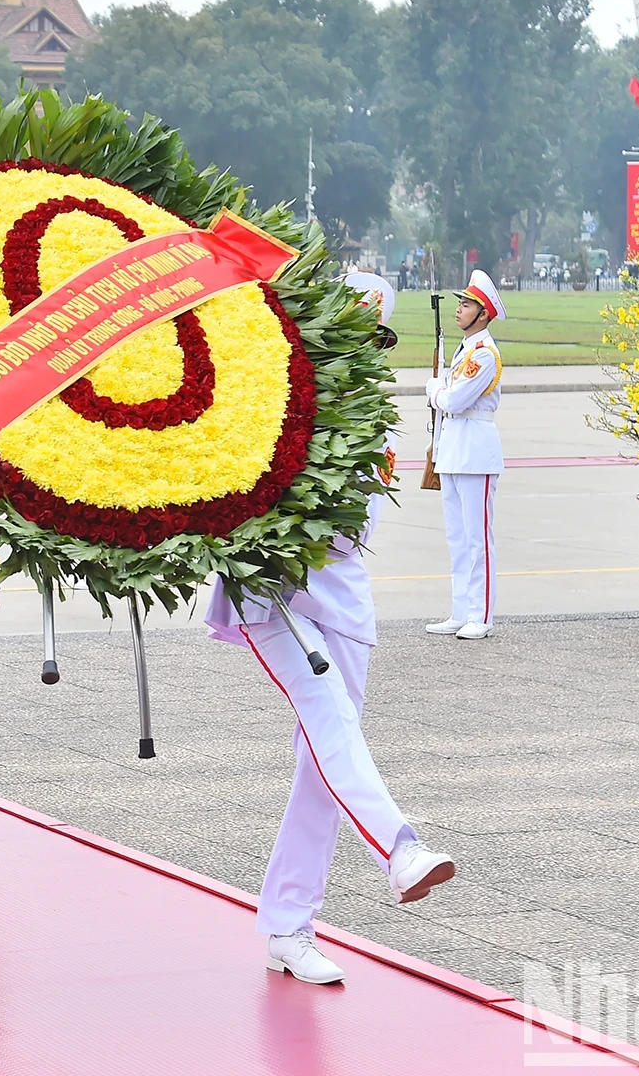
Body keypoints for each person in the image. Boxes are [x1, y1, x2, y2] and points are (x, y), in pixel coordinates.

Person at [206, 272, 457, 985]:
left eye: (374, 342)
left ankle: (289, 923)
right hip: (268, 595)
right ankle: (400, 850)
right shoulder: (266, 395)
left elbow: (355, 531)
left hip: (341, 600)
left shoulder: (370, 422)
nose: (364, 355)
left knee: (323, 767)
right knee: (331, 723)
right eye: (350, 337)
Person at [424, 269, 506, 641]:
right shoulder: (464, 351)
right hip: (454, 449)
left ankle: (481, 614)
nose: (459, 309)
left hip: (475, 448)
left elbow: (455, 399)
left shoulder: (484, 354)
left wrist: (434, 390)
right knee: (457, 537)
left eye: (467, 304)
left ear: (484, 314)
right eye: (460, 303)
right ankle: (461, 610)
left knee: (478, 538)